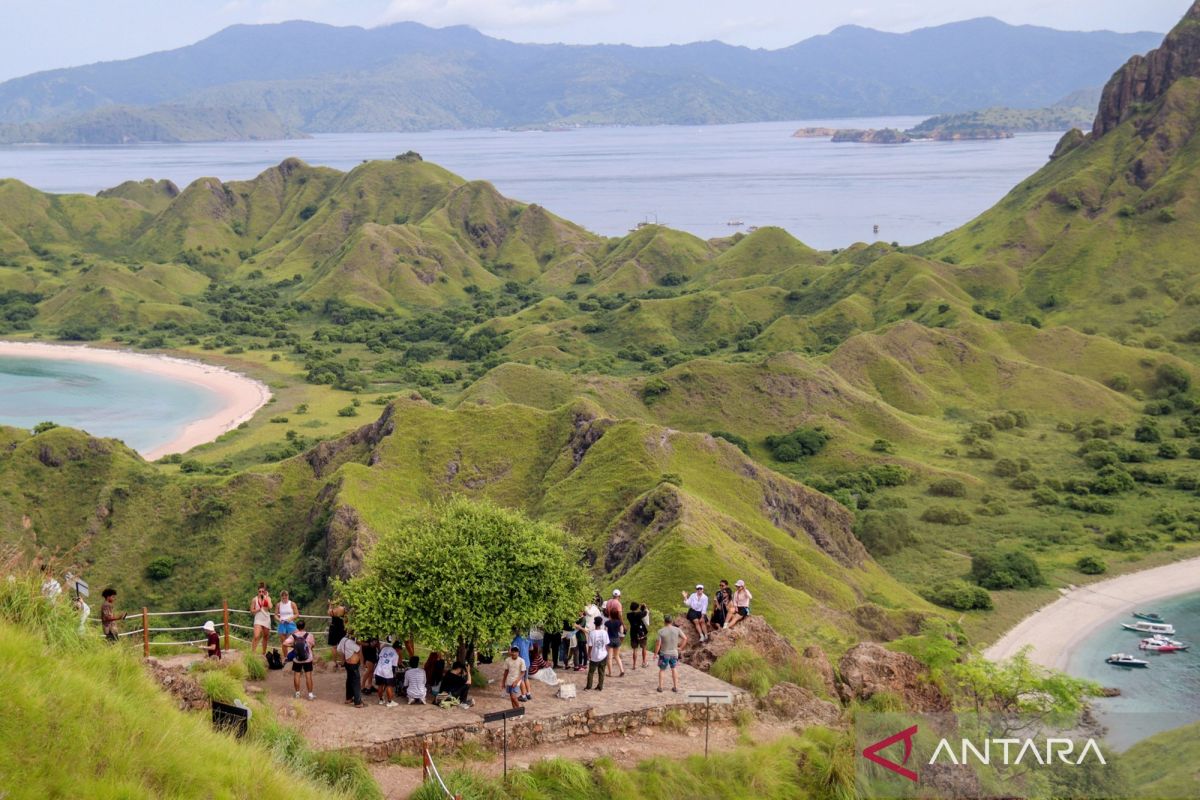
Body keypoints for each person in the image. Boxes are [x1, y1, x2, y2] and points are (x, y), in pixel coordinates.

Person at [655, 614, 688, 693]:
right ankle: (675, 687)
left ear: (664, 621)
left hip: (664, 653)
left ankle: (660, 687)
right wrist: (680, 648)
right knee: (674, 669)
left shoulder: (661, 631)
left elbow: (658, 644)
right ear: (672, 621)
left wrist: (655, 654)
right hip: (674, 653)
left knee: (662, 670)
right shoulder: (677, 630)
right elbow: (685, 638)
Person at [288, 619, 316, 700]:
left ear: (297, 626)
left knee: (297, 675)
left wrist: (294, 646)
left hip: (297, 659)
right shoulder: (309, 635)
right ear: (304, 626)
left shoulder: (293, 635)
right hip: (308, 658)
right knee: (308, 675)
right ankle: (310, 695)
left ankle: (297, 694)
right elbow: (313, 645)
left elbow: (285, 643)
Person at [336, 631, 364, 708]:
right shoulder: (351, 643)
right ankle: (358, 702)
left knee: (349, 680)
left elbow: (339, 650)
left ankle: (348, 698)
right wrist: (362, 663)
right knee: (356, 682)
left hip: (347, 663)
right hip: (353, 664)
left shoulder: (343, 640)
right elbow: (359, 651)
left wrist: (343, 659)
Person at [584, 616, 610, 692]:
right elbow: (606, 644)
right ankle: (600, 686)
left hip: (594, 655)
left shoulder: (592, 633)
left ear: (594, 623)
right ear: (601, 623)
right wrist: (607, 653)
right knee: (601, 671)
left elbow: (590, 646)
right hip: (603, 654)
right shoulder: (604, 632)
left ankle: (589, 686)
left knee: (591, 672)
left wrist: (588, 654)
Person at [374, 638, 400, 707]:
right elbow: (394, 667)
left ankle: (381, 700)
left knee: (380, 685)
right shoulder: (396, 654)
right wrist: (394, 675)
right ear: (398, 648)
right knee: (389, 686)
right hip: (387, 671)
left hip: (379, 669)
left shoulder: (385, 648)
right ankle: (390, 701)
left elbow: (379, 657)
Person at [250, 582, 273, 655]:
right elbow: (251, 611)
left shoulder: (268, 598)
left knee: (265, 637)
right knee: (256, 636)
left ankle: (263, 653)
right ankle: (252, 653)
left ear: (265, 592)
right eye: (259, 591)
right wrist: (258, 609)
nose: (261, 593)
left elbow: (270, 607)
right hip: (258, 619)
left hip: (266, 619)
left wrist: (266, 597)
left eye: (262, 591)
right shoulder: (254, 599)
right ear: (258, 592)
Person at [275, 590, 299, 660]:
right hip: (282, 624)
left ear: (288, 596)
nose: (284, 597)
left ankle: (297, 654)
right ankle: (286, 658)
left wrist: (290, 618)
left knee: (296, 640)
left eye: (286, 595)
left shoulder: (292, 603)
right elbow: (275, 615)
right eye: (283, 596)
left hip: (290, 624)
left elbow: (297, 614)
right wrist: (279, 619)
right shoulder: (278, 604)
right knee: (283, 642)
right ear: (281, 597)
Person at [511, 629, 533, 701]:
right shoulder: (527, 638)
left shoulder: (516, 640)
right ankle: (528, 694)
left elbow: (513, 651)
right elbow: (531, 648)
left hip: (520, 663)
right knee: (526, 678)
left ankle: (523, 696)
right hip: (527, 661)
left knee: (521, 680)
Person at [627, 602, 650, 668]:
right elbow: (645, 612)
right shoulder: (639, 614)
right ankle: (644, 662)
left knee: (635, 649)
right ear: (637, 608)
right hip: (641, 632)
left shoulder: (628, 615)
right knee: (644, 647)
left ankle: (634, 665)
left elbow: (636, 614)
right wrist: (644, 606)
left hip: (633, 633)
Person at [604, 607, 626, 677]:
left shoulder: (607, 623)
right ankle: (622, 670)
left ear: (610, 614)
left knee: (609, 657)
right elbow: (621, 631)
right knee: (617, 656)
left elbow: (605, 631)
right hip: (617, 639)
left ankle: (610, 673)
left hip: (609, 640)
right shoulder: (619, 622)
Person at [327, 599, 347, 666]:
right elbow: (346, 618)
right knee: (342, 645)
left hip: (333, 628)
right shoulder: (343, 609)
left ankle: (335, 662)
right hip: (342, 628)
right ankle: (343, 662)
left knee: (334, 647)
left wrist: (330, 605)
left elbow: (329, 613)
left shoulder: (332, 610)